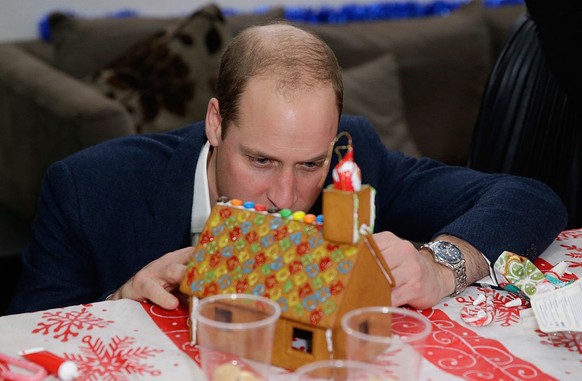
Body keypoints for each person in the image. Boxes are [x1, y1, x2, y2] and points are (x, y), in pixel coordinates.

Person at [8, 23, 567, 314]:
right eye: (259, 159)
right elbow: (20, 345)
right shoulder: (88, 187)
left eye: (310, 164)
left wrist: (440, 267)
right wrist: (119, 304)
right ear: (215, 123)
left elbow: (529, 197)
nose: (285, 195)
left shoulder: (355, 155)